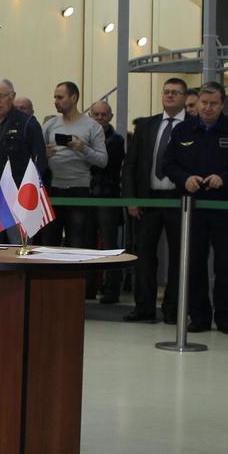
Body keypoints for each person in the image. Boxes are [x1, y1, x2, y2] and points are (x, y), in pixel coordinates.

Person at [160, 82, 228, 334]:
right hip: (192, 207)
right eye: (204, 103)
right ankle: (199, 317)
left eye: (214, 103)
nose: (208, 108)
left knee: (224, 264)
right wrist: (185, 179)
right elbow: (167, 164)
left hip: (224, 206)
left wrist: (225, 177)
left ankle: (226, 318)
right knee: (194, 263)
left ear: (222, 104)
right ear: (197, 102)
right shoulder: (183, 131)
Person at [121, 78, 187, 323]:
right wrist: (131, 199)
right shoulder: (147, 125)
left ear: (183, 97)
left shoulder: (192, 126)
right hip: (148, 200)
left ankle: (173, 310)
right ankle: (144, 307)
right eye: (166, 92)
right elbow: (130, 165)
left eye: (175, 93)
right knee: (144, 256)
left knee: (179, 257)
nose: (169, 96)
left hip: (180, 201)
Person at [40, 82, 107, 296]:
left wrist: (82, 148)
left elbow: (103, 161)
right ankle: (48, 289)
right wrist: (44, 154)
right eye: (55, 97)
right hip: (53, 190)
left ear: (74, 98)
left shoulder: (91, 127)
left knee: (77, 242)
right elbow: (35, 153)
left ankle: (75, 291)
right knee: (48, 241)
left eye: (60, 97)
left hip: (79, 190)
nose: (56, 101)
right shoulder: (50, 125)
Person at [0, 78, 46, 243]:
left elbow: (41, 159)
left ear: (12, 96)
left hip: (18, 193)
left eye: (1, 96)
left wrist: (30, 191)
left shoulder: (27, 122)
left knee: (19, 246)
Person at [88, 99, 126, 303]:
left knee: (111, 246)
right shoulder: (85, 137)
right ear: (90, 116)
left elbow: (105, 166)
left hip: (108, 197)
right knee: (87, 244)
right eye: (97, 114)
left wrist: (84, 153)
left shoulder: (117, 140)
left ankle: (112, 290)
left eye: (104, 115)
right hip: (86, 196)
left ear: (110, 117)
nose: (100, 118)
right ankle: (89, 288)